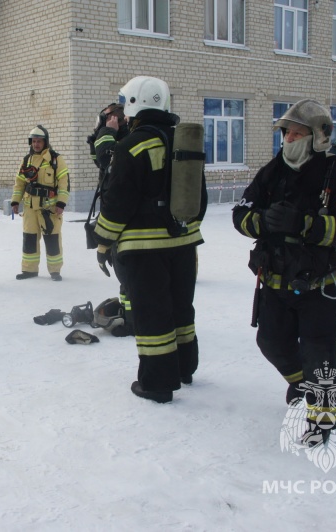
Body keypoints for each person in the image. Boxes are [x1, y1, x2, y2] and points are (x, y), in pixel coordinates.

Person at [232, 99, 336, 446]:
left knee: (320, 351)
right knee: (271, 341)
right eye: (286, 133)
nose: (289, 139)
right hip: (274, 281)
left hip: (317, 286)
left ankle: (322, 418)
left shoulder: (333, 173)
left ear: (318, 137)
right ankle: (302, 384)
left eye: (297, 133)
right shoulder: (273, 171)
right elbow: (241, 212)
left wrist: (306, 225)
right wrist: (260, 221)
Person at [93, 76, 207, 403]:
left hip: (144, 250)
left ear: (132, 104)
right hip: (184, 244)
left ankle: (157, 384)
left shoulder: (131, 146)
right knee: (181, 309)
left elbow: (117, 204)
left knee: (152, 316)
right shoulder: (183, 142)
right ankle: (184, 369)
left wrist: (103, 241)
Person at [88, 103, 135, 337]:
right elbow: (98, 154)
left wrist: (103, 243)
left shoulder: (123, 146)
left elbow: (106, 156)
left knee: (128, 279)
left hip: (125, 229)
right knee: (127, 279)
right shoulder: (123, 141)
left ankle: (132, 322)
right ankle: (131, 317)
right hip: (125, 226)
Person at [11, 125, 70, 281]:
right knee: (29, 239)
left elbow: (64, 183)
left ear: (46, 142)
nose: (36, 144)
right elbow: (19, 183)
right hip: (30, 208)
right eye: (34, 141)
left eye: (39, 141)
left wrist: (61, 204)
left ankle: (55, 270)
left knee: (52, 240)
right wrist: (15, 201)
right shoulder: (26, 160)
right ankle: (29, 270)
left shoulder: (56, 159)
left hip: (48, 208)